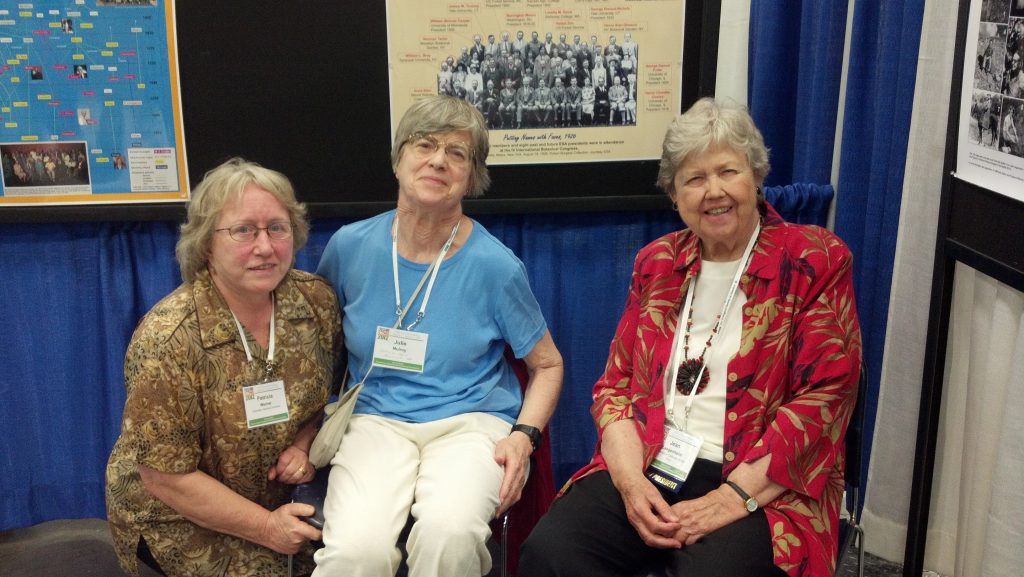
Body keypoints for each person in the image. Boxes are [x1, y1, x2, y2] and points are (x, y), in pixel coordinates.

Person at [519, 97, 862, 577]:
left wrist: (731, 497)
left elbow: (826, 397)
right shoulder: (657, 263)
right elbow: (614, 387)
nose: (714, 191)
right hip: (653, 459)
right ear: (674, 195)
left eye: (728, 171)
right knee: (552, 552)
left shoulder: (813, 259)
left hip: (765, 480)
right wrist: (630, 483)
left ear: (756, 177)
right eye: (695, 179)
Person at [313, 95, 564, 577]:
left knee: (449, 536)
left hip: (471, 423)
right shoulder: (350, 247)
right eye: (424, 144)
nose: (437, 161)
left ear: (472, 177)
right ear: (398, 159)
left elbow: (547, 365)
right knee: (354, 553)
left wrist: (523, 438)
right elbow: (322, 350)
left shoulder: (496, 266)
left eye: (457, 153)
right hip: (375, 421)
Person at [105, 158, 342, 577]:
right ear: (206, 244)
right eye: (243, 230)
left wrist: (306, 443)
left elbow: (334, 395)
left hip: (283, 502)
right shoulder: (170, 337)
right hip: (181, 517)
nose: (265, 247)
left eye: (277, 227)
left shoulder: (316, 303)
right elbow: (163, 477)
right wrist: (266, 527)